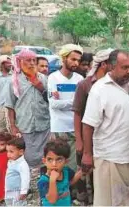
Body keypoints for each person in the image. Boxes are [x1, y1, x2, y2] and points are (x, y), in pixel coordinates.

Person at [81, 50, 129, 206]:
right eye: (125, 67)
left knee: (125, 201)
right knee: (107, 202)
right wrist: (87, 154)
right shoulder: (100, 89)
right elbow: (87, 124)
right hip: (109, 158)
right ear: (111, 67)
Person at [72, 48, 114, 205]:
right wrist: (79, 140)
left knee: (101, 174)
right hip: (87, 136)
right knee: (85, 171)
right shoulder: (85, 85)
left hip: (105, 138)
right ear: (104, 64)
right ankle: (84, 199)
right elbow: (77, 114)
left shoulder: (114, 85)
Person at [5, 49, 50, 168]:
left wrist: (39, 86)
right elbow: (10, 106)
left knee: (45, 157)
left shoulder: (44, 78)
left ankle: (43, 182)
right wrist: (13, 126)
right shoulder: (13, 81)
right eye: (28, 60)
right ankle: (25, 184)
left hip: (44, 124)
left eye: (34, 60)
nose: (31, 63)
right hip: (24, 125)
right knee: (24, 158)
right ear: (19, 62)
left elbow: (50, 100)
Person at [48, 44, 84, 172]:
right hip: (59, 128)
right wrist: (75, 101)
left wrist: (64, 102)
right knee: (57, 165)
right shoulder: (53, 78)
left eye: (78, 60)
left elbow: (81, 104)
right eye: (73, 59)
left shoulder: (79, 79)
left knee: (73, 165)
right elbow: (53, 104)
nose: (76, 63)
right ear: (64, 59)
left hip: (75, 128)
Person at [37, 140, 82, 206]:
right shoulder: (43, 181)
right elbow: (52, 200)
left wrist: (82, 171)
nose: (54, 164)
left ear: (66, 161)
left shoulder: (66, 171)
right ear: (44, 161)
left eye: (59, 159)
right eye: (50, 159)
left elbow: (70, 182)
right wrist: (52, 181)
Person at [5, 138, 30, 206]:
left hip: (17, 191)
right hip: (9, 189)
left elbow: (25, 179)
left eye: (11, 151)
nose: (8, 154)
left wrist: (24, 192)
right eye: (7, 151)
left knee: (18, 204)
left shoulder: (22, 165)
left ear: (21, 152)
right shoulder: (11, 161)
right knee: (9, 203)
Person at [0, 57, 12, 132]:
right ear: (2, 64)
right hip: (0, 103)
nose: (10, 64)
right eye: (8, 63)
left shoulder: (14, 74)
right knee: (2, 125)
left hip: (12, 104)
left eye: (11, 62)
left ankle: (12, 142)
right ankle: (3, 142)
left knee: (12, 124)